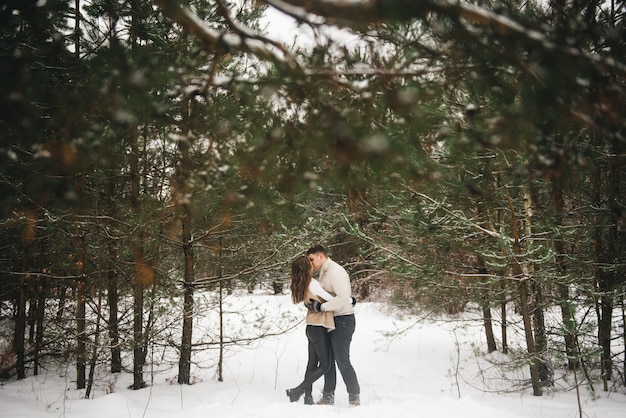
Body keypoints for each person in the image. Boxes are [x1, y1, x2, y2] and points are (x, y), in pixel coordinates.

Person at [306, 244, 360, 406]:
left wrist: (322, 307)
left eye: (312, 259)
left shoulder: (336, 271)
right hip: (329, 320)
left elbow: (343, 297)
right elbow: (327, 295)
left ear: (321, 256)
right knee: (328, 361)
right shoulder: (323, 271)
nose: (311, 263)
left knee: (342, 360)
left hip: (343, 320)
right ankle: (328, 396)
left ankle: (354, 397)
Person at [286, 255, 336, 404]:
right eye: (309, 263)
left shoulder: (300, 283)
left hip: (311, 327)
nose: (312, 265)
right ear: (305, 267)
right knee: (326, 365)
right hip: (319, 328)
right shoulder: (312, 283)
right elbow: (331, 299)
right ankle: (298, 390)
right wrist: (346, 298)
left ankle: (308, 398)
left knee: (312, 363)